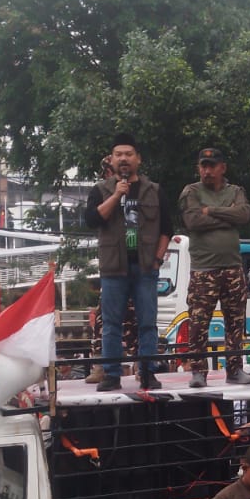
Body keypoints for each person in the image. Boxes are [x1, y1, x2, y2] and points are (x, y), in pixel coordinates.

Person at [84, 133, 174, 391]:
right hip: (114, 268)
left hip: (146, 267)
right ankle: (112, 375)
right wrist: (116, 195)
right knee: (111, 324)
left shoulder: (154, 190)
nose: (124, 158)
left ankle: (147, 373)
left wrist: (157, 260)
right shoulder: (100, 190)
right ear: (111, 160)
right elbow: (92, 220)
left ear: (138, 159)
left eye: (129, 154)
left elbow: (167, 229)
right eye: (119, 154)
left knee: (148, 322)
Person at [179, 147, 250, 388]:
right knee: (199, 323)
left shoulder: (236, 191)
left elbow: (243, 215)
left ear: (223, 168)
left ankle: (234, 370)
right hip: (204, 270)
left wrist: (210, 211)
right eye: (203, 165)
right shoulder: (191, 191)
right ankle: (198, 372)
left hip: (233, 268)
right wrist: (228, 215)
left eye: (212, 165)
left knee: (235, 322)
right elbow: (192, 221)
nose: (207, 170)